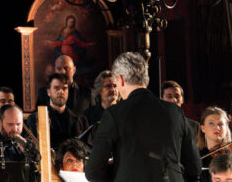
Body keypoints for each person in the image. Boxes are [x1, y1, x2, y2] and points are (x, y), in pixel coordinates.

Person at [84, 51, 200, 182]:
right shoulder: (175, 112)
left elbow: (93, 171)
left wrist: (119, 171)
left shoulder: (114, 113)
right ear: (146, 79)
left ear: (121, 79)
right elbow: (195, 168)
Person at [26, 73, 87, 150]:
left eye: (64, 88)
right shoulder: (35, 119)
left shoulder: (81, 120)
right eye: (56, 88)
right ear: (48, 92)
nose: (61, 92)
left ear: (68, 92)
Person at [198, 107, 232, 182]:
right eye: (211, 123)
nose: (217, 127)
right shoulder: (198, 156)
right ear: (202, 128)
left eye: (221, 124)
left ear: (226, 128)